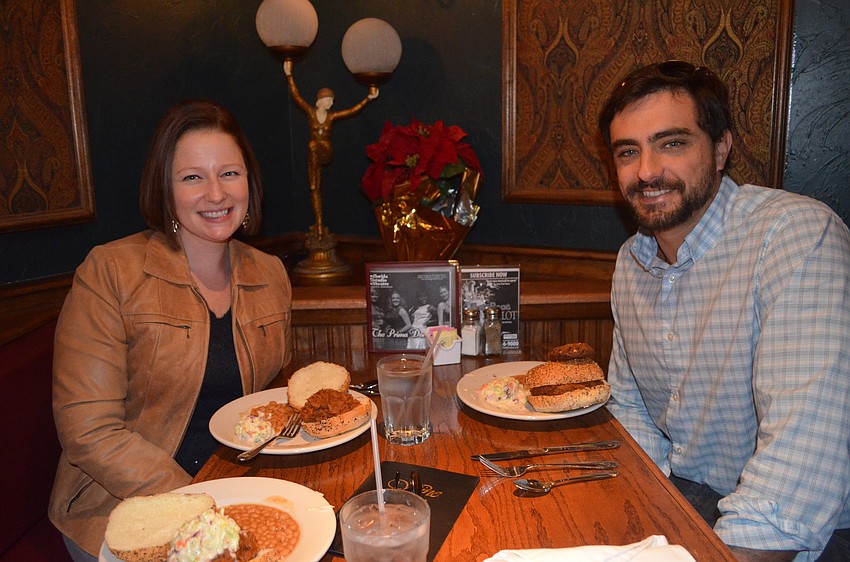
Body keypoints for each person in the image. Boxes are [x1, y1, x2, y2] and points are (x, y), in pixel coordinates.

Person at [598, 60, 850, 562]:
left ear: (720, 148)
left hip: (801, 532)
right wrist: (632, 520)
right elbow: (632, 415)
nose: (647, 171)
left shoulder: (796, 236)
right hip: (686, 499)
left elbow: (798, 466)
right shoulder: (631, 262)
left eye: (671, 143)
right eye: (629, 151)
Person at [48, 99, 293, 561]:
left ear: (249, 183)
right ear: (165, 188)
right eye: (192, 177)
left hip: (232, 488)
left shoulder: (270, 272)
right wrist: (205, 503)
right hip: (124, 510)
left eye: (230, 173)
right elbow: (89, 430)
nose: (216, 194)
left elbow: (272, 398)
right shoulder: (111, 271)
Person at [284, 60, 378, 241]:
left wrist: (368, 97)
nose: (331, 103)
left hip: (325, 151)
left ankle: (312, 180)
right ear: (320, 101)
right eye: (329, 100)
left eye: (332, 101)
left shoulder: (332, 117)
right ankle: (318, 224)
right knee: (315, 188)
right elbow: (296, 96)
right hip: (314, 156)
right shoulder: (311, 113)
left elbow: (351, 111)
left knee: (313, 145)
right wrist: (289, 75)